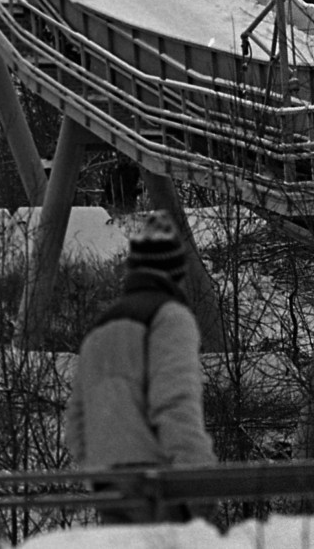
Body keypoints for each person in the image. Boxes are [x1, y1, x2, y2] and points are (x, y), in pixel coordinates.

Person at [64, 211, 215, 525]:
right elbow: (175, 404)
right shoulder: (169, 317)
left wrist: (99, 468)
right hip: (155, 483)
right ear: (176, 272)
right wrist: (199, 484)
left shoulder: (99, 328)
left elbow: (76, 423)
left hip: (108, 486)